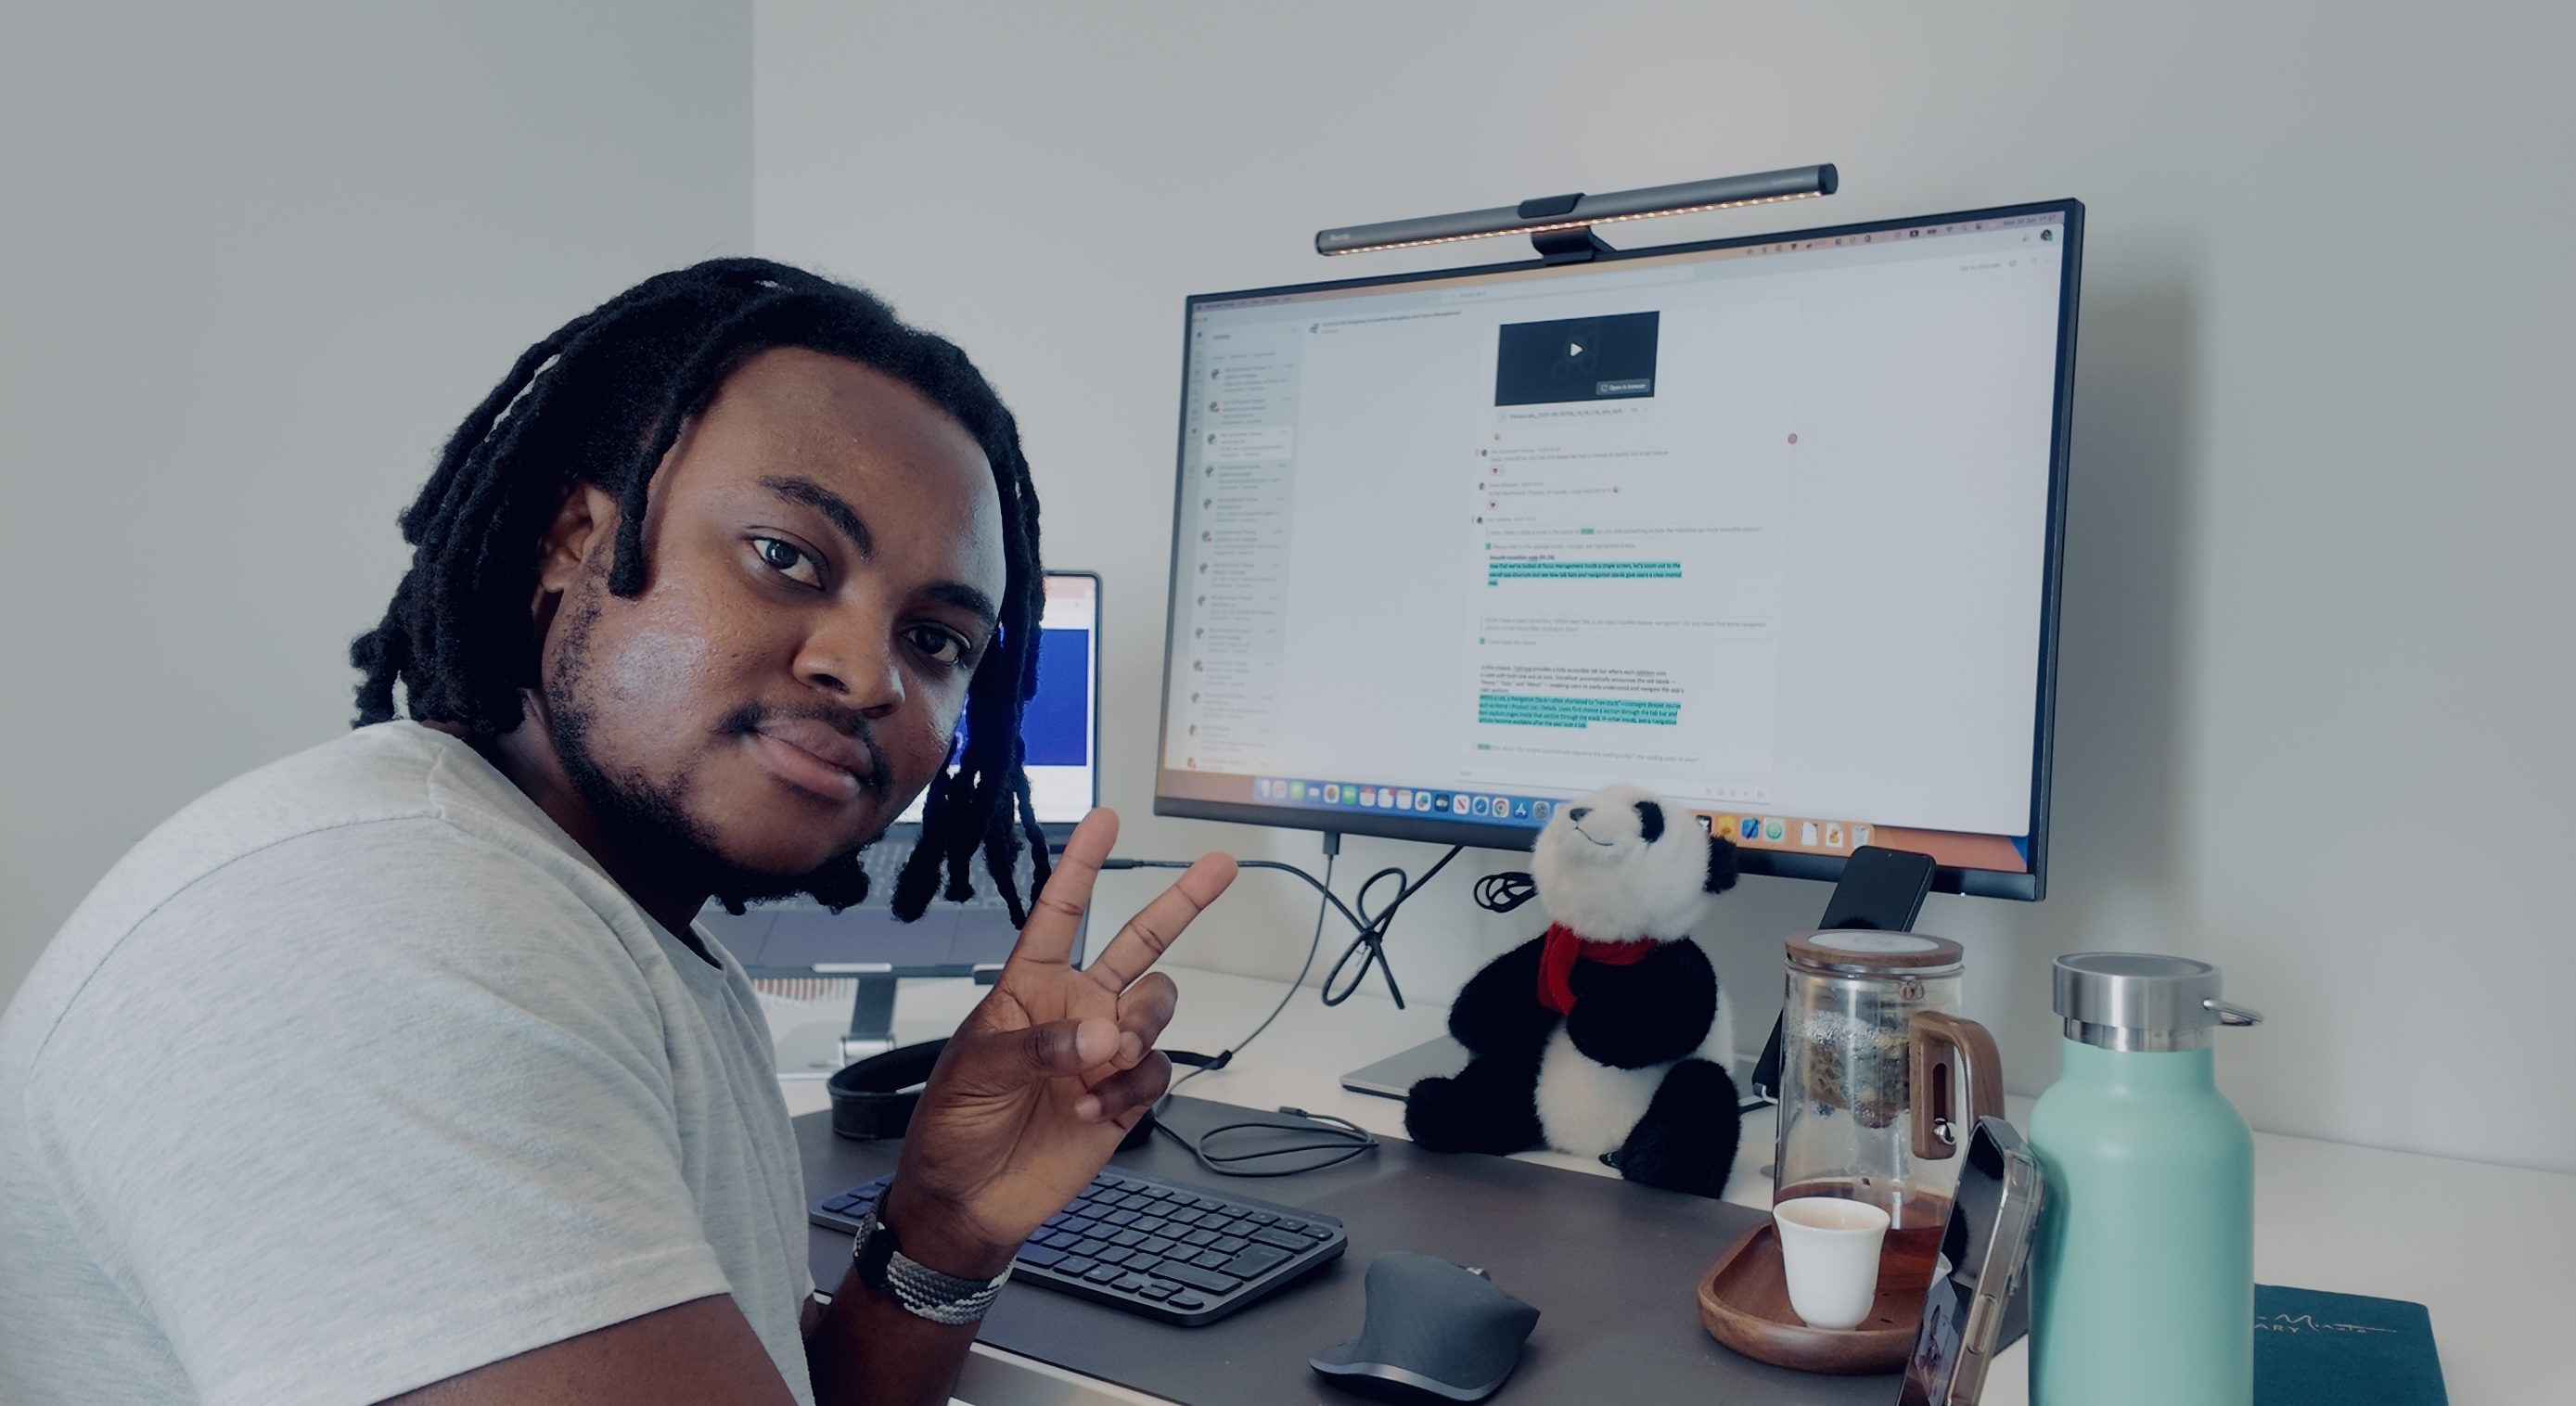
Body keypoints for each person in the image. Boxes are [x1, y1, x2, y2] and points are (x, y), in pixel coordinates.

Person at [0, 260, 1237, 1406]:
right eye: (785, 557)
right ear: (572, 542)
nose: (866, 674)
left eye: (936, 642)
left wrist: (944, 1226)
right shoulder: (377, 933)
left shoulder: (605, 918)